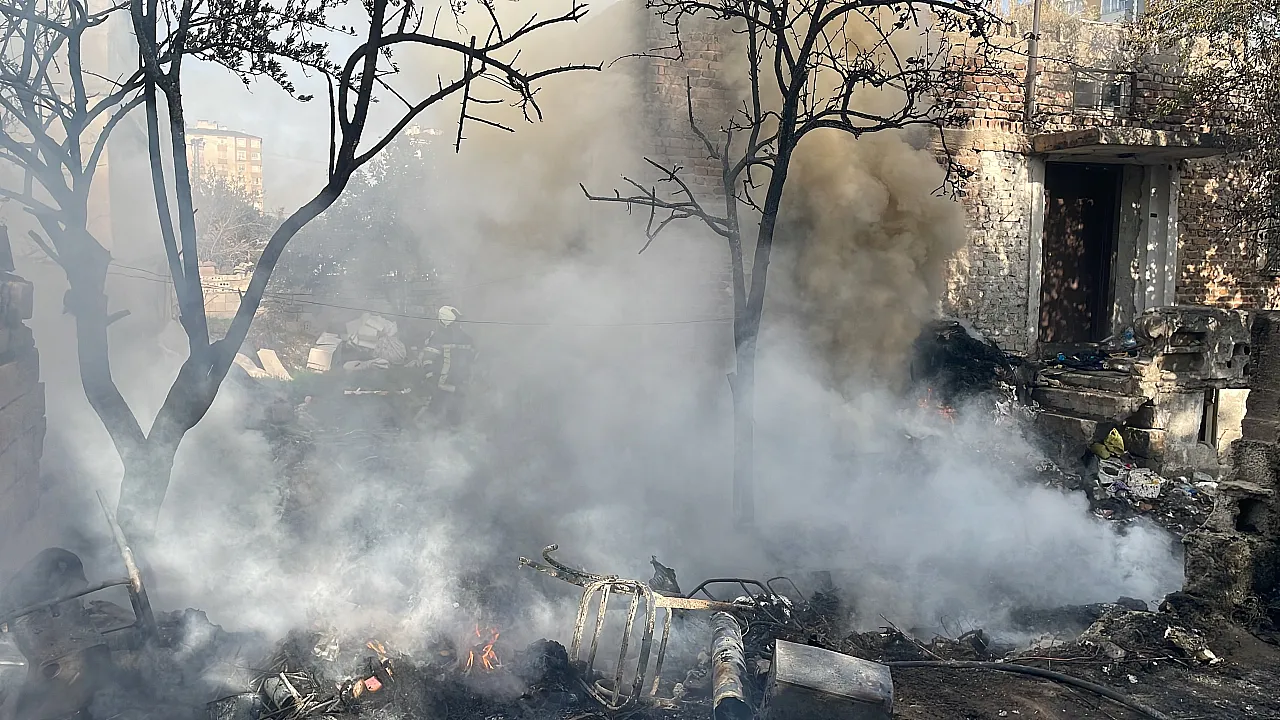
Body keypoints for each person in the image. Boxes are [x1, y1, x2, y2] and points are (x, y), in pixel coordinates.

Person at [412, 306, 476, 425]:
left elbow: (427, 360)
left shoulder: (438, 338)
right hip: (456, 384)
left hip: (443, 384)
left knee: (436, 411)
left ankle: (419, 431)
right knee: (451, 412)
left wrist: (430, 378)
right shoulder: (468, 339)